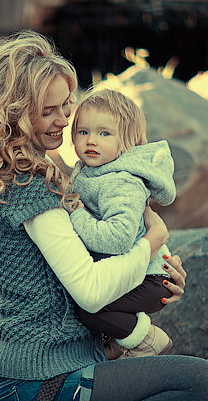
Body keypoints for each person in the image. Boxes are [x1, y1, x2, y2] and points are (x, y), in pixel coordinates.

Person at [0, 30, 208, 401]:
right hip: (44, 381)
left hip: (32, 372)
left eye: (65, 106)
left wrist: (154, 278)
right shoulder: (31, 187)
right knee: (196, 381)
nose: (63, 121)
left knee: (154, 360)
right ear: (14, 111)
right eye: (47, 110)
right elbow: (91, 293)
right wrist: (152, 240)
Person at [68, 87, 177, 359]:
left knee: (91, 306)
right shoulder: (91, 171)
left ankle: (146, 340)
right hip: (135, 271)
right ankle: (119, 342)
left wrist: (76, 212)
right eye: (83, 132)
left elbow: (117, 240)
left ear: (127, 142)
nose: (91, 140)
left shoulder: (121, 181)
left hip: (151, 278)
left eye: (104, 133)